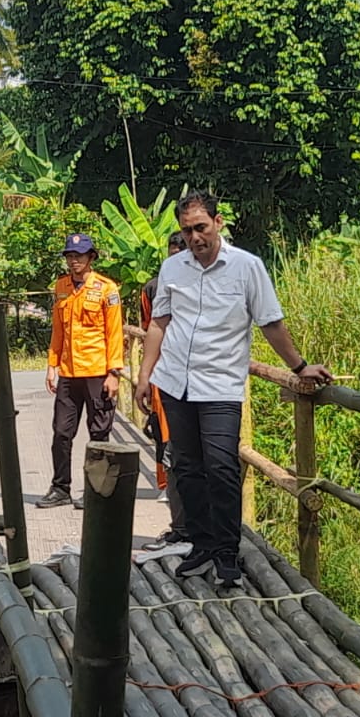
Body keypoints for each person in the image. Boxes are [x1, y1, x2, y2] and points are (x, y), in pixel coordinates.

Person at [138, 192, 333, 588]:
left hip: (219, 386)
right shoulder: (173, 268)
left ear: (218, 222)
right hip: (175, 382)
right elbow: (158, 323)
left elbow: (270, 323)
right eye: (187, 230)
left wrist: (299, 367)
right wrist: (145, 376)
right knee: (187, 467)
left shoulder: (247, 268)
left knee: (223, 468)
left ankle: (228, 553)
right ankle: (202, 545)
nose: (194, 237)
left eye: (201, 228)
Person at [36, 233, 124, 508]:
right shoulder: (61, 287)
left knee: (99, 434)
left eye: (79, 256)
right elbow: (58, 330)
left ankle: (96, 491)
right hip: (69, 373)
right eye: (70, 256)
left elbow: (115, 333)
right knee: (62, 432)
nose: (74, 261)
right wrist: (52, 365)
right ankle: (60, 488)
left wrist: (114, 373)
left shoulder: (107, 289)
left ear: (91, 258)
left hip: (98, 371)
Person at [140, 230, 190, 554]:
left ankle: (191, 529)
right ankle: (182, 528)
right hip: (167, 384)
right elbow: (151, 330)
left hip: (201, 386)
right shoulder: (153, 289)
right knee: (171, 453)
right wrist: (144, 377)